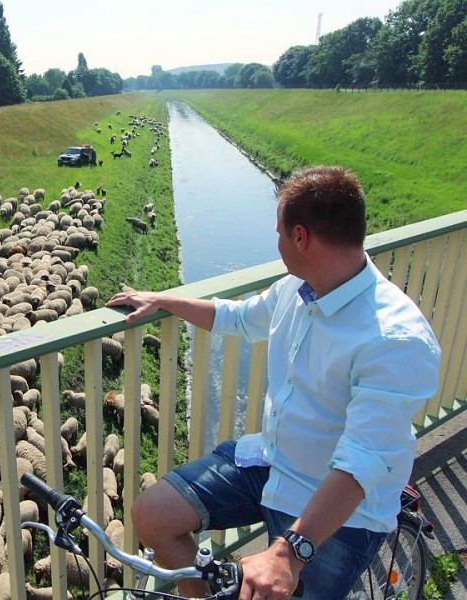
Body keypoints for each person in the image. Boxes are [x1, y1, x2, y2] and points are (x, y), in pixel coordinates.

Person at [105, 166, 441, 600]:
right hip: (273, 461)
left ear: (300, 237)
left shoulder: (395, 339)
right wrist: (161, 298)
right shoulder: (297, 289)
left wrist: (288, 554)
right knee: (153, 515)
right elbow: (238, 317)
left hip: (340, 512)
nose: (277, 242)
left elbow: (362, 463)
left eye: (279, 232)